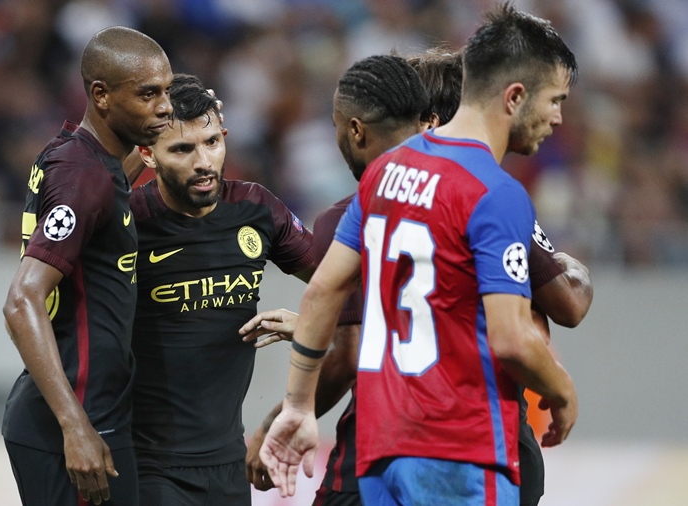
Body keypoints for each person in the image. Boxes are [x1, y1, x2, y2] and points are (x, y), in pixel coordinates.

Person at [259, 3, 581, 504]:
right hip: (463, 453)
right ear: (515, 97)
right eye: (555, 100)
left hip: (382, 450)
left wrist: (297, 406)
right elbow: (512, 338)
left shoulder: (386, 173)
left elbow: (323, 288)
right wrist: (561, 391)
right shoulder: (495, 193)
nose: (558, 117)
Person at [1, 26, 173, 506]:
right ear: (101, 94)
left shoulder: (83, 159)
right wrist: (75, 426)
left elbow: (99, 204)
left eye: (166, 91)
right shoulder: (85, 177)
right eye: (148, 94)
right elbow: (21, 301)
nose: (164, 106)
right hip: (77, 420)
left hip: (91, 411)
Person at [127, 73, 315, 505]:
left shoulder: (256, 208)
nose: (203, 162)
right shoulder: (128, 222)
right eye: (181, 148)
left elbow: (339, 284)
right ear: (147, 154)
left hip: (229, 465)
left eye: (212, 142)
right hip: (146, 465)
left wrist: (309, 323)